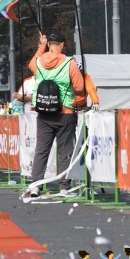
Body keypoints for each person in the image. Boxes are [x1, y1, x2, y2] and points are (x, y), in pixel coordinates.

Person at [26, 32, 84, 198]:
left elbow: (31, 64)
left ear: (50, 44)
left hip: (43, 113)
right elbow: (79, 88)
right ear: (62, 44)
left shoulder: (38, 61)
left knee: (42, 150)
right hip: (64, 112)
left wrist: (41, 45)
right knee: (65, 150)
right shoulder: (69, 63)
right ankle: (64, 187)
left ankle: (35, 185)